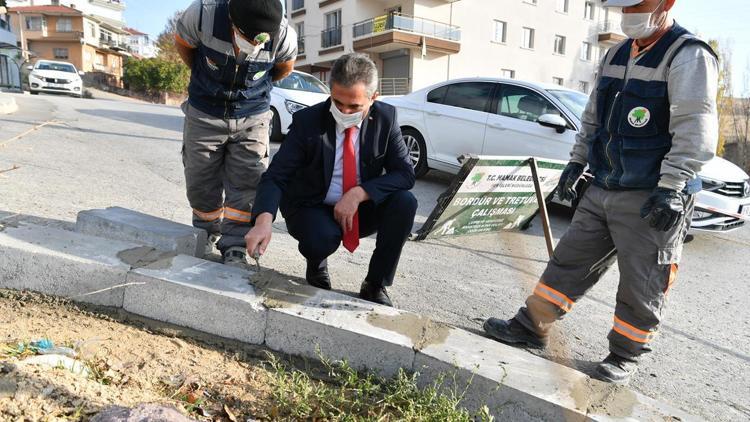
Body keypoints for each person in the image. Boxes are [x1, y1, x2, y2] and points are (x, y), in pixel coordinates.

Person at [483, 0, 718, 384]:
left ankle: (624, 355)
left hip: (653, 193)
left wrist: (673, 187)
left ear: (666, 3)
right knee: (569, 261)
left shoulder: (687, 55)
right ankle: (532, 326)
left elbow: (696, 128)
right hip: (604, 182)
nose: (627, 14)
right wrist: (577, 162)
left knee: (643, 280)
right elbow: (593, 116)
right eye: (622, 6)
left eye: (637, 5)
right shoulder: (616, 53)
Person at [244, 53, 417, 307]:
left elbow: (405, 174)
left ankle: (375, 284)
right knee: (320, 239)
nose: (344, 112)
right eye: (337, 102)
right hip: (312, 206)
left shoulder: (386, 119)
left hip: (357, 207)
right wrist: (263, 220)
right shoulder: (308, 122)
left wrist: (358, 194)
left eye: (354, 107)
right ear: (330, 92)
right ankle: (317, 264)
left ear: (373, 98)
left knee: (405, 203)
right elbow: (276, 176)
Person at [174, 0, 297, 267]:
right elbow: (185, 47)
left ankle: (236, 245)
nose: (254, 44)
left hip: (252, 115)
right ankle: (205, 231)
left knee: (249, 180)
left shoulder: (284, 35)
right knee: (200, 180)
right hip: (205, 111)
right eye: (247, 36)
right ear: (232, 19)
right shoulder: (202, 15)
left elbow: (284, 68)